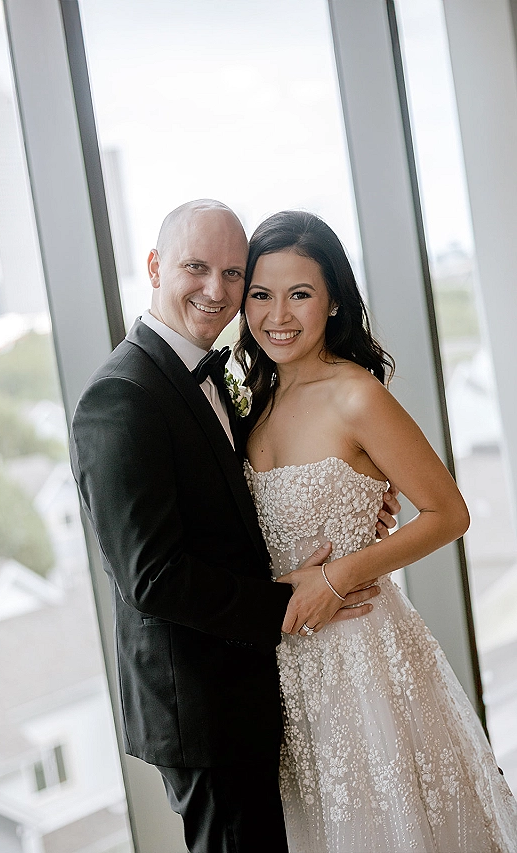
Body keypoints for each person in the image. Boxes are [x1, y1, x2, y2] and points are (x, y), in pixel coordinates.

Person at [69, 200, 399, 853]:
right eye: (196, 267)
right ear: (157, 265)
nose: (216, 290)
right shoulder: (122, 395)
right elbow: (154, 577)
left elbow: (239, 505)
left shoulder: (221, 377)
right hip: (203, 705)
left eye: (232, 272)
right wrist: (301, 597)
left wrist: (350, 498)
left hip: (257, 686)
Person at [235, 209, 517, 853]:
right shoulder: (250, 403)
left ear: (333, 300)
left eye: (299, 294)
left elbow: (450, 513)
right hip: (284, 663)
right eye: (261, 294)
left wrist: (338, 574)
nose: (278, 314)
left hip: (363, 650)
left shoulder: (357, 396)